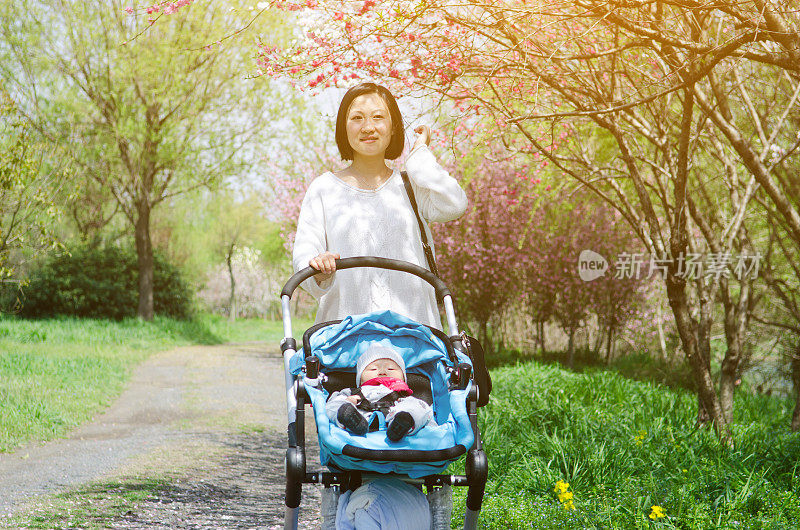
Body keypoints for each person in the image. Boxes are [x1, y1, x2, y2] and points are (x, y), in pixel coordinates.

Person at [292, 82, 467, 330]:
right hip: (345, 341)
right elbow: (305, 252)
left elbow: (455, 204)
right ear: (344, 127)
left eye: (378, 117)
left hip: (416, 339)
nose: (368, 127)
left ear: (394, 126)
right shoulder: (323, 188)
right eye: (357, 118)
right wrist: (319, 268)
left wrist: (419, 157)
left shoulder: (411, 185)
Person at [325, 344, 435, 441]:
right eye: (373, 369)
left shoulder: (403, 395)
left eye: (391, 369)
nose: (382, 372)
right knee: (335, 402)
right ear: (360, 378)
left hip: (396, 412)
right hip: (361, 416)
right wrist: (347, 401)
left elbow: (425, 412)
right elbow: (332, 404)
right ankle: (349, 420)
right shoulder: (353, 392)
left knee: (420, 407)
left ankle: (404, 423)